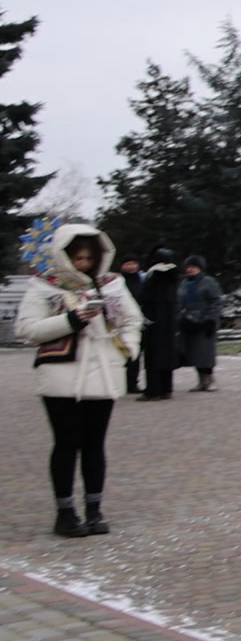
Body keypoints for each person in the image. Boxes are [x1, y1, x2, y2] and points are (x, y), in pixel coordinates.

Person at [14, 223, 145, 537]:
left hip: (103, 373)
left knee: (94, 445)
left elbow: (133, 318)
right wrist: (71, 320)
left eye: (89, 258)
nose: (84, 264)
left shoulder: (112, 283)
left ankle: (95, 510)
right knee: (66, 443)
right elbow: (27, 328)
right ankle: (65, 512)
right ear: (63, 256)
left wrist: (127, 349)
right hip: (61, 375)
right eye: (77, 258)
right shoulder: (46, 285)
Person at [136, 249, 180, 401]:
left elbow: (143, 296)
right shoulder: (174, 275)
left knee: (153, 356)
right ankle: (166, 389)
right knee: (167, 356)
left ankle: (153, 391)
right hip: (169, 321)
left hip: (154, 320)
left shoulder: (152, 274)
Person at [177, 255, 221, 392]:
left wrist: (210, 319)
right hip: (189, 323)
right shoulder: (184, 284)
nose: (190, 270)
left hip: (204, 323)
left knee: (205, 354)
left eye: (193, 267)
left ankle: (210, 379)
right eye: (188, 267)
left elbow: (215, 302)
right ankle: (201, 381)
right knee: (194, 354)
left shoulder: (208, 282)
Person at [117, 255, 146, 395]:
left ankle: (132, 383)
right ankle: (119, 382)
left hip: (137, 322)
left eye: (133, 263)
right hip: (119, 322)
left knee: (134, 353)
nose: (131, 266)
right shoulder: (117, 282)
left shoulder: (142, 281)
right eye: (127, 264)